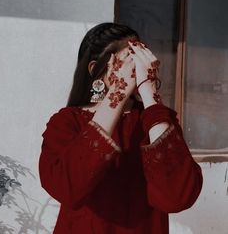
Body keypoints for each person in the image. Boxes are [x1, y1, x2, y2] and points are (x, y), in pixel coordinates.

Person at [38, 22, 203, 234]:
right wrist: (118, 92)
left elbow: (178, 197)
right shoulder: (68, 122)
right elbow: (67, 188)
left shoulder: (156, 122)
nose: (142, 68)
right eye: (132, 61)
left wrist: (150, 95)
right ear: (95, 69)